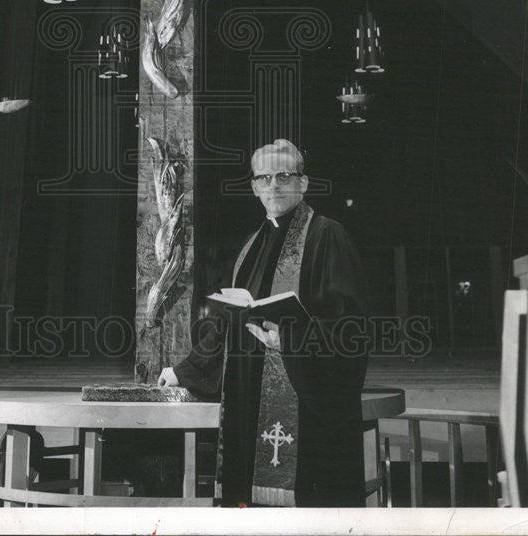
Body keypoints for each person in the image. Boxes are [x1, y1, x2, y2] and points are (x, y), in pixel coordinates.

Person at [158, 139, 369, 507]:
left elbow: (351, 327)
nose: (274, 185)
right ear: (254, 187)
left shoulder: (327, 236)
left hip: (309, 410)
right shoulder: (250, 247)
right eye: (265, 177)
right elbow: (229, 324)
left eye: (284, 175)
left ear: (303, 183)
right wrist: (185, 370)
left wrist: (289, 338)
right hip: (250, 402)